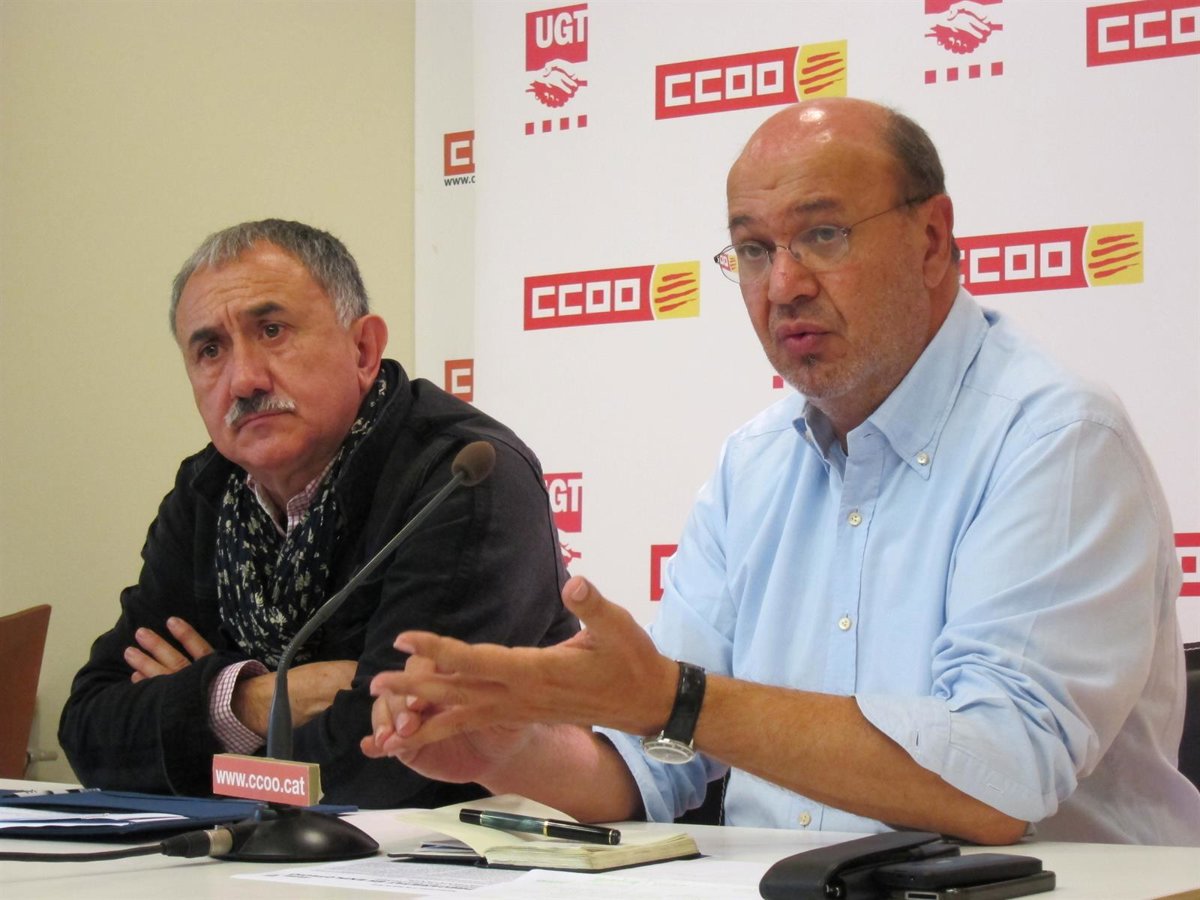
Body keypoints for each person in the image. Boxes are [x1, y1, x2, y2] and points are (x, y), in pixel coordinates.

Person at [360, 98, 1200, 845]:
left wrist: (674, 699)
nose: (784, 285)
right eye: (754, 250)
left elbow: (998, 780)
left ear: (932, 239)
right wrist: (508, 751)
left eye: (823, 235)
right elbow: (651, 767)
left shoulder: (1056, 438)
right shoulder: (753, 464)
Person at [59, 219, 577, 807]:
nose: (244, 380)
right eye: (210, 350)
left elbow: (394, 761)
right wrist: (250, 701)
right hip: (257, 851)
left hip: (466, 851)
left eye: (272, 331)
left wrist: (189, 727)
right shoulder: (207, 492)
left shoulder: (464, 479)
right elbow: (89, 733)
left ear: (363, 349)